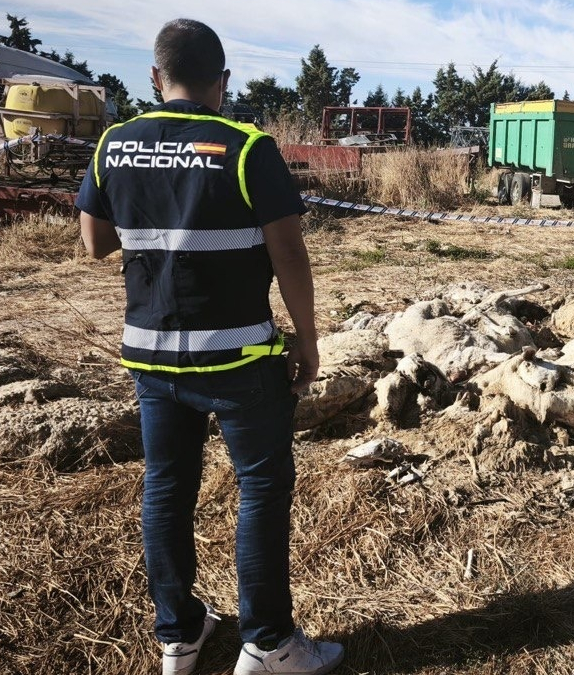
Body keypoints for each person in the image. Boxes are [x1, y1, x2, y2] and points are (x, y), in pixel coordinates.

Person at [76, 19, 343, 675]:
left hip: (152, 359)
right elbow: (289, 254)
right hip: (240, 362)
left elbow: (94, 243)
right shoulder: (248, 148)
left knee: (166, 488)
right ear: (223, 83)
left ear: (154, 79)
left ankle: (179, 633)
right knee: (260, 487)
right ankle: (270, 643)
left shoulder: (114, 144)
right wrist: (307, 340)